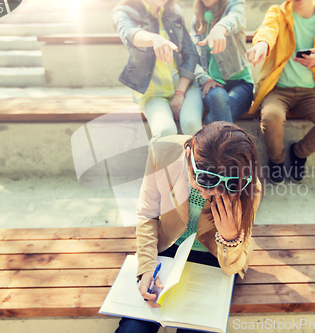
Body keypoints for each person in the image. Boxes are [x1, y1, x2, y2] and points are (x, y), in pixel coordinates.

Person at [114, 122, 262, 333]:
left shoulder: (249, 186)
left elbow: (233, 266)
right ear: (188, 155)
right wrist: (146, 266)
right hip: (167, 251)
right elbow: (147, 214)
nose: (207, 195)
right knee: (133, 329)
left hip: (214, 257)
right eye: (202, 180)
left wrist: (230, 237)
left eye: (222, 188)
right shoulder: (162, 152)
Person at [246, 0, 315, 183]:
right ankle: (277, 161)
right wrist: (262, 45)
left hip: (311, 92)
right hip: (278, 89)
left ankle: (298, 153)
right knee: (271, 116)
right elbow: (268, 30)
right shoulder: (278, 13)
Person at [114, 0, 203, 142]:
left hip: (185, 86)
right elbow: (129, 34)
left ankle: (193, 165)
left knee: (192, 126)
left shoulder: (174, 11)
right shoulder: (125, 11)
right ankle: (158, 165)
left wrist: (180, 92)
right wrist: (154, 38)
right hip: (153, 92)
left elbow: (191, 54)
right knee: (165, 132)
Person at [192, 0, 254, 124]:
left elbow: (235, 17)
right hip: (211, 84)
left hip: (240, 83)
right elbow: (194, 58)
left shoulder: (235, 4)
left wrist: (220, 29)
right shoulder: (197, 20)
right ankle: (234, 143)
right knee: (218, 97)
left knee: (213, 120)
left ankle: (221, 141)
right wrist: (205, 79)